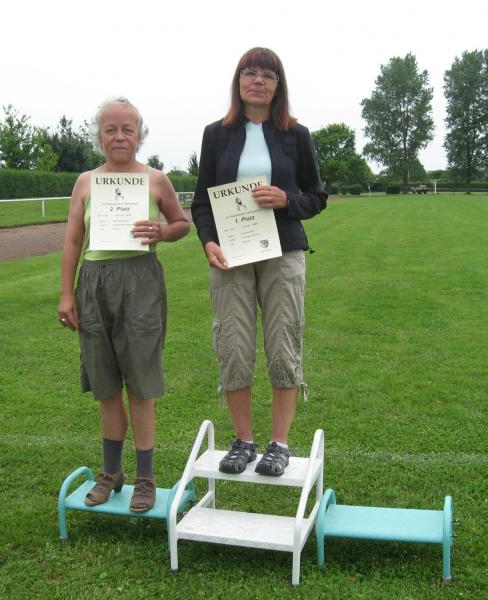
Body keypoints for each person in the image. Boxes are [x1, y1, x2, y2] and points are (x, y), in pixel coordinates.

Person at [191, 48, 327, 477]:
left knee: (283, 342)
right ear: (238, 81)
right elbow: (201, 203)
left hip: (283, 253)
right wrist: (208, 242)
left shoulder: (296, 135)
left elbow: (316, 197)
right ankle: (244, 441)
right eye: (250, 73)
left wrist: (287, 200)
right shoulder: (215, 135)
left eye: (267, 75)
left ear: (277, 86)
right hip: (230, 256)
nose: (257, 81)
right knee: (233, 344)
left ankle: (279, 444)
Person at [58, 97, 190, 511]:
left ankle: (145, 477)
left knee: (140, 383)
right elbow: (74, 240)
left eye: (127, 129)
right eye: (111, 129)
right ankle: (112, 471)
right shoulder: (85, 182)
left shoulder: (155, 180)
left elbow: (182, 223)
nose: (119, 136)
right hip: (94, 282)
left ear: (139, 135)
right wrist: (67, 292)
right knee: (106, 385)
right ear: (99, 136)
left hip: (140, 282)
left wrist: (163, 231)